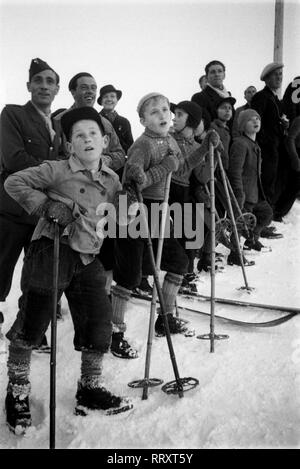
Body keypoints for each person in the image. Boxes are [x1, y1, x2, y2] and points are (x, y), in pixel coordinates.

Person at [3, 106, 133, 434]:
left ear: (104, 141)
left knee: (97, 323)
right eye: (78, 135)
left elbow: (115, 218)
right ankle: (17, 390)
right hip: (52, 250)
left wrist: (128, 208)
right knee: (34, 319)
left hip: (89, 258)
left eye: (92, 134)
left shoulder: (112, 178)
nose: (86, 139)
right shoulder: (56, 170)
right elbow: (15, 183)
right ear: (69, 145)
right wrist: (48, 206)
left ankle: (89, 390)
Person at [0, 58, 62, 352]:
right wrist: (55, 172)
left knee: (36, 275)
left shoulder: (60, 127)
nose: (44, 86)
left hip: (42, 213)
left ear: (57, 89)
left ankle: (27, 328)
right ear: (29, 86)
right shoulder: (12, 114)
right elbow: (13, 159)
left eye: (50, 82)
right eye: (39, 80)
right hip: (11, 209)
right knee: (0, 267)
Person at [169, 100, 220, 288]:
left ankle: (187, 271)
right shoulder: (168, 138)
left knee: (192, 229)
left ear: (191, 120)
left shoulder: (196, 147)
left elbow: (203, 177)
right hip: (164, 190)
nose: (175, 118)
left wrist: (212, 156)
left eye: (180, 114)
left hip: (184, 192)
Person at [54, 73, 125, 173]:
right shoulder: (58, 121)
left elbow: (120, 154)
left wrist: (102, 161)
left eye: (93, 88)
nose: (90, 92)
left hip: (102, 184)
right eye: (84, 88)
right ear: (73, 92)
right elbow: (51, 158)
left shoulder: (106, 124)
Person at [228, 109, 273, 251]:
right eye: (250, 119)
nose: (255, 121)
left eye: (257, 118)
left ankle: (252, 240)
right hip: (244, 194)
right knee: (240, 224)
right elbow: (235, 171)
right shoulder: (240, 144)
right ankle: (235, 255)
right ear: (242, 125)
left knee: (266, 213)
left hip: (254, 193)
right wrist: (239, 193)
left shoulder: (254, 144)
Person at [251, 62, 289, 220]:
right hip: (266, 149)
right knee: (265, 183)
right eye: (275, 75)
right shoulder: (261, 96)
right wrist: (265, 142)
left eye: (280, 74)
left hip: (275, 147)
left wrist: (283, 124)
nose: (279, 77)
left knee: (273, 182)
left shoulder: (274, 98)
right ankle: (262, 220)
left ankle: (268, 215)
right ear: (266, 79)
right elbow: (255, 121)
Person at [191, 60, 235, 127]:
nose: (217, 74)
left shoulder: (229, 97)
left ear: (224, 75)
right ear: (207, 77)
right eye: (212, 72)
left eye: (220, 71)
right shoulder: (199, 97)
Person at [98, 84, 134, 154]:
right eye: (105, 97)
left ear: (117, 100)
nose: (109, 99)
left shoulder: (124, 122)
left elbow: (131, 148)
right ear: (101, 101)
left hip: (122, 161)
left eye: (112, 96)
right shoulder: (96, 120)